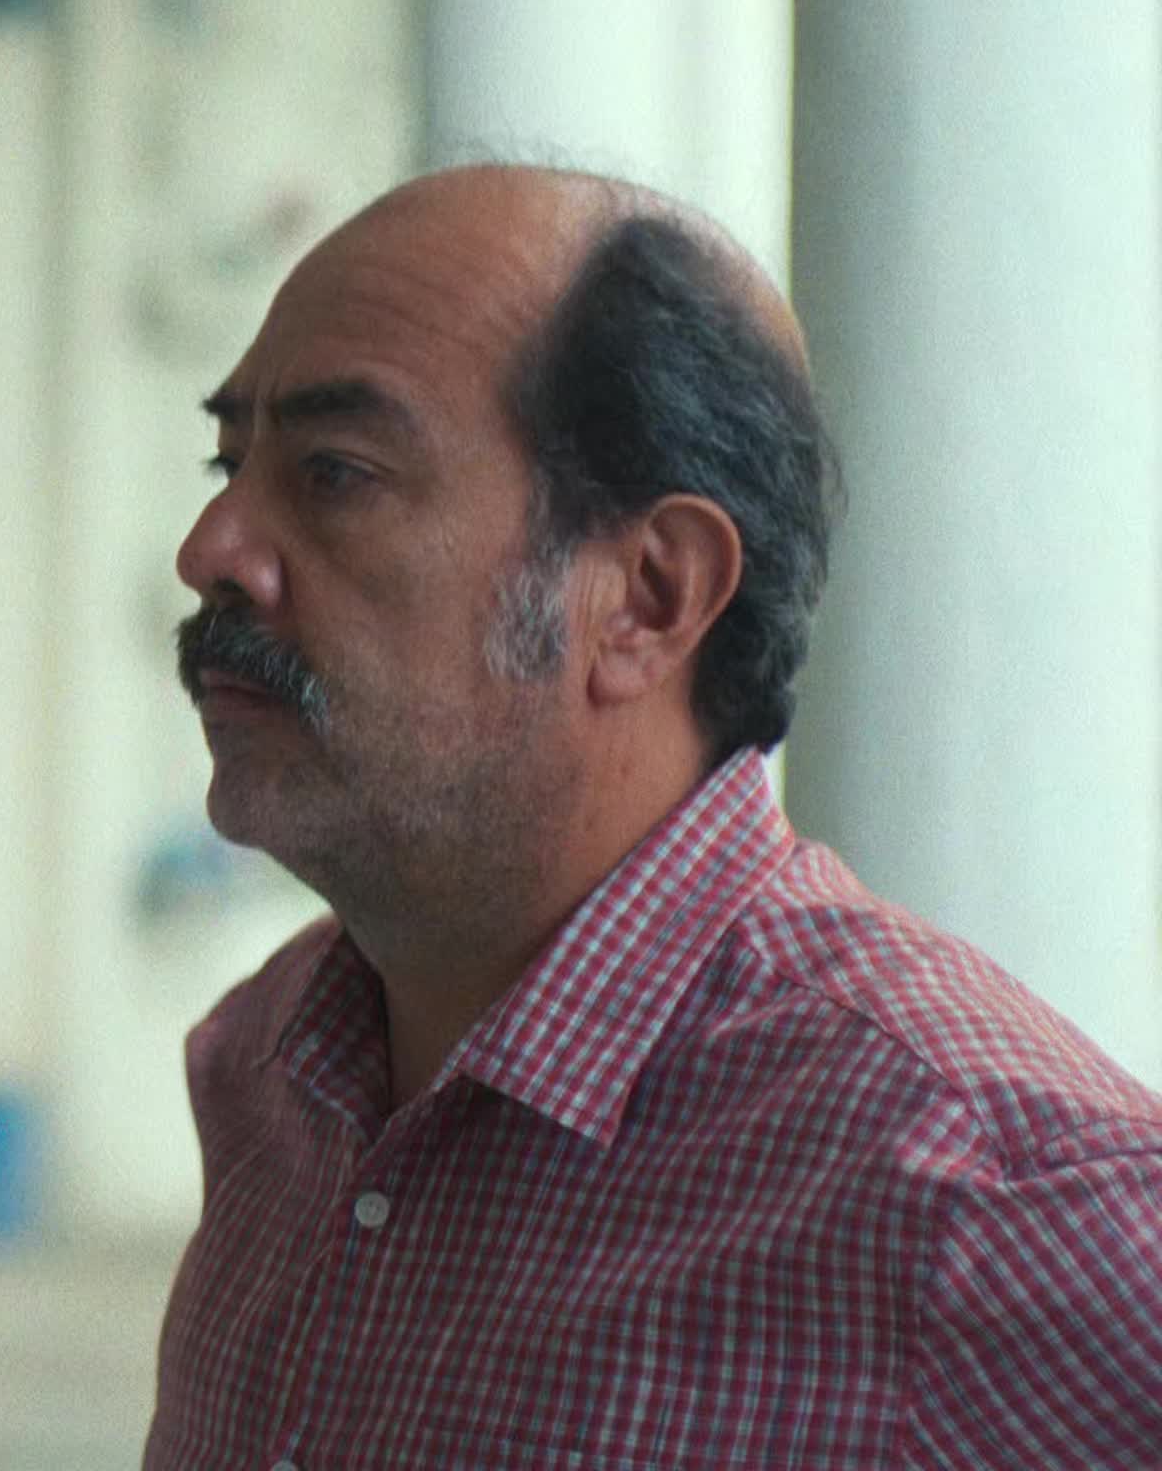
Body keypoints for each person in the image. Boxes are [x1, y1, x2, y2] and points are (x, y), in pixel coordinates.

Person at [148, 166, 1162, 1468]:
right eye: (230, 463)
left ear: (649, 597)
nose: (211, 547)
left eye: (335, 473)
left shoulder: (1003, 1199)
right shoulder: (272, 1068)